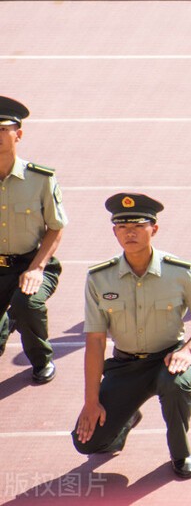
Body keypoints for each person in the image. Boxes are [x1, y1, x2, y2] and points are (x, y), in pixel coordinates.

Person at [73, 193, 191, 479]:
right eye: (122, 226)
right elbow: (95, 341)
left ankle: (181, 454)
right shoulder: (99, 278)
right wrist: (91, 401)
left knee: (175, 386)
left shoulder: (179, 272)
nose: (130, 232)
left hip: (169, 358)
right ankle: (127, 419)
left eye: (138, 225)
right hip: (126, 366)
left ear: (154, 229)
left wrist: (187, 351)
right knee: (88, 442)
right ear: (114, 231)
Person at [0, 96, 67, 384]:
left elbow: (56, 227)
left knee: (27, 302)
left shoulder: (40, 179)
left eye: (4, 129)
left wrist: (37, 268)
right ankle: (6, 323)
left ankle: (41, 359)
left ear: (19, 134)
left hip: (31, 263)